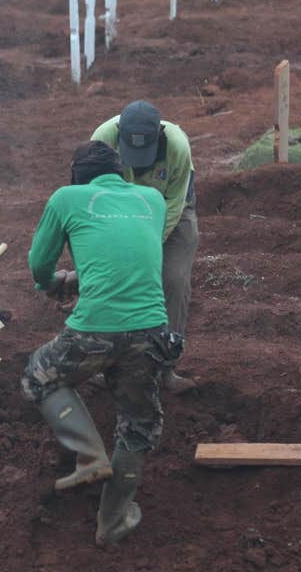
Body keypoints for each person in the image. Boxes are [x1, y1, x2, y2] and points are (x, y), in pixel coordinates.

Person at [21, 141, 182, 546]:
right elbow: (124, 249)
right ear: (121, 173)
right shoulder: (152, 199)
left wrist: (50, 284)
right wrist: (82, 277)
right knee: (138, 426)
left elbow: (39, 263)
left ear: (77, 177)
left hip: (95, 329)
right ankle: (112, 523)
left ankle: (90, 455)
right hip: (152, 330)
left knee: (40, 376)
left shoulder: (66, 198)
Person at [91, 100, 198, 393]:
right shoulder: (102, 139)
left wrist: (147, 248)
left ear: (159, 136)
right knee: (110, 280)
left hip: (170, 213)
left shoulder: (177, 146)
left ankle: (165, 368)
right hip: (117, 214)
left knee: (174, 281)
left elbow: (176, 204)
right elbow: (92, 199)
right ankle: (107, 364)